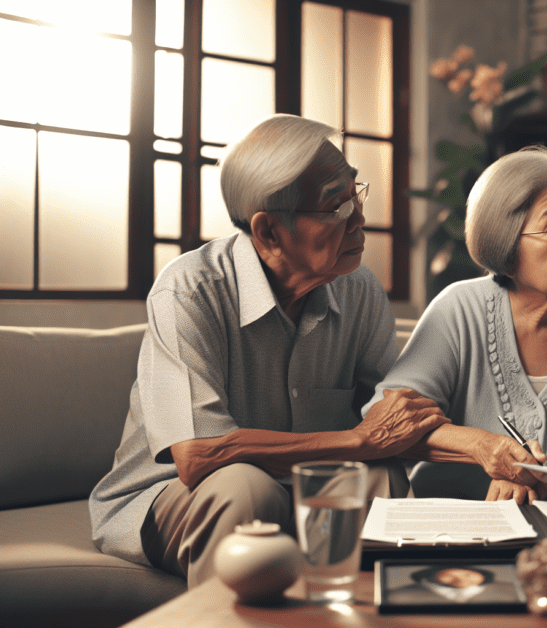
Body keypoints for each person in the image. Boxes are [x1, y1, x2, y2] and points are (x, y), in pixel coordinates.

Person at [88, 114, 449, 588]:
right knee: (245, 489)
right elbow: (198, 456)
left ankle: (376, 614)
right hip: (175, 495)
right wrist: (356, 442)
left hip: (303, 487)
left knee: (384, 478)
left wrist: (490, 451)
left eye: (356, 194)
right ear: (270, 233)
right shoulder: (189, 290)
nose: (360, 217)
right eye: (336, 206)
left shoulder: (359, 289)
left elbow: (392, 420)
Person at [368, 146, 547, 505]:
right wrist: (480, 446)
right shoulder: (459, 309)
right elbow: (386, 417)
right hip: (463, 520)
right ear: (507, 250)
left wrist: (546, 480)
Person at [386, 565, 523, 604]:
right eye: (447, 576)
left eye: (468, 575)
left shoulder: (513, 590)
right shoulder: (399, 596)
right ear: (430, 577)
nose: (459, 579)